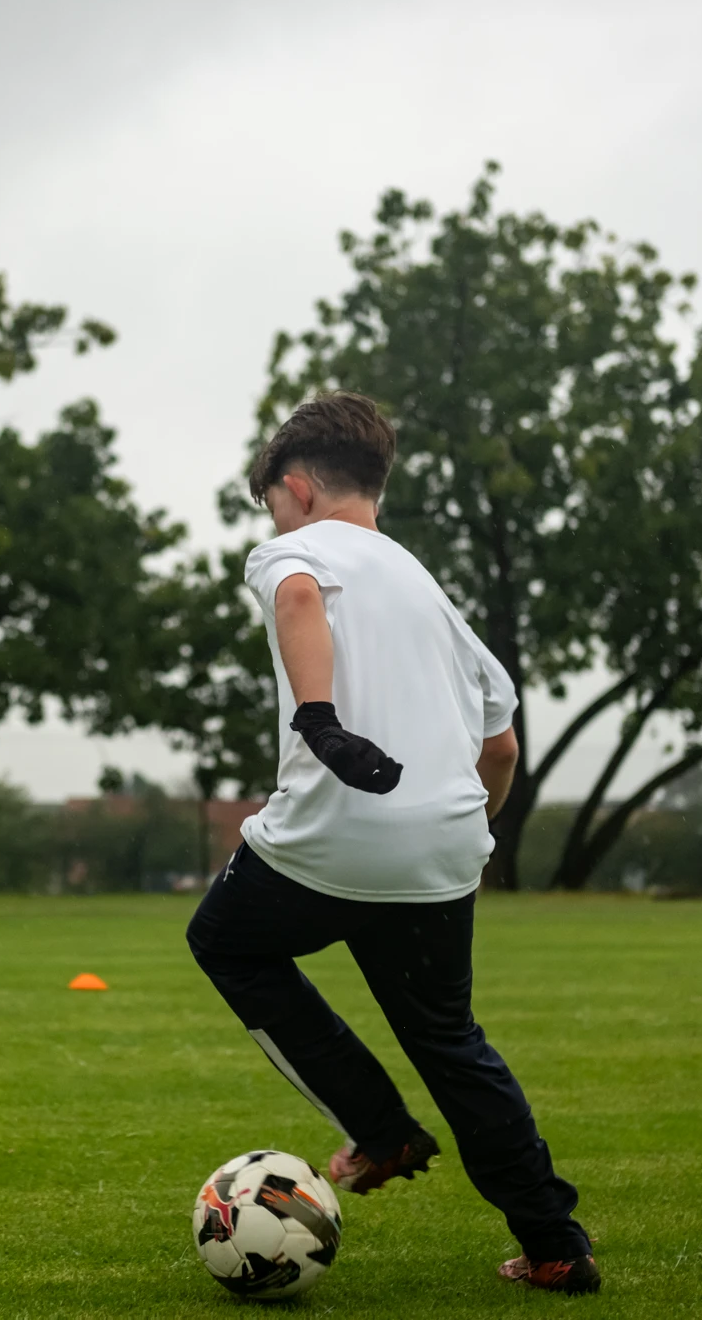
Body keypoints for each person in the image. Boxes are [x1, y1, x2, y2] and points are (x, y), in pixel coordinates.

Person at [185, 392, 598, 1297]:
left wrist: (324, 724)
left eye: (270, 502)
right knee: (451, 1040)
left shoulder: (292, 551)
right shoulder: (428, 589)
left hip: (329, 831)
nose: (272, 519)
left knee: (223, 939)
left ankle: (382, 1129)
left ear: (294, 488)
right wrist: (471, 839)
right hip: (442, 848)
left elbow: (297, 600)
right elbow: (501, 744)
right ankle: (555, 1244)